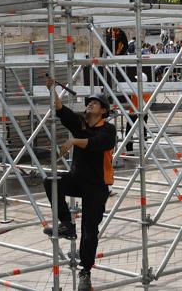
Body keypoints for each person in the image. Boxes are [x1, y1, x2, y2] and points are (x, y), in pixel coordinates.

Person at [42, 77, 116, 291]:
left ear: (103, 111)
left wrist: (73, 141)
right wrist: (52, 89)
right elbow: (60, 110)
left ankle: (86, 272)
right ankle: (66, 224)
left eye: (96, 103)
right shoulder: (81, 123)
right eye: (90, 102)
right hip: (77, 179)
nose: (90, 103)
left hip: (97, 187)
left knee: (90, 231)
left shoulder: (108, 130)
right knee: (51, 182)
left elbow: (95, 144)